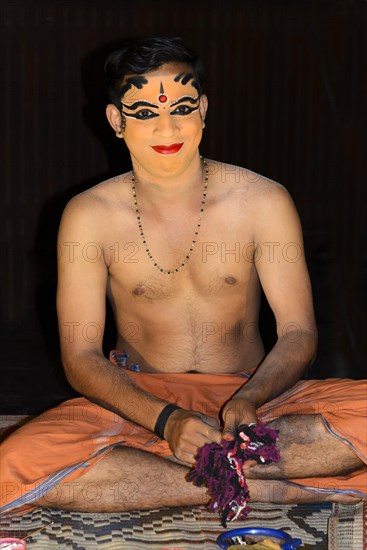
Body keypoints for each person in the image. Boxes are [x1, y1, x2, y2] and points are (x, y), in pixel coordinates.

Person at [1, 36, 366, 516]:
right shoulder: (88, 215)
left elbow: (298, 332)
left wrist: (250, 398)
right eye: (146, 113)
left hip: (254, 401)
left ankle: (193, 470)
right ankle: (270, 486)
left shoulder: (262, 200)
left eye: (182, 107)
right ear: (117, 121)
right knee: (12, 461)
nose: (166, 127)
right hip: (136, 403)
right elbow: (80, 357)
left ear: (204, 110)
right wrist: (167, 421)